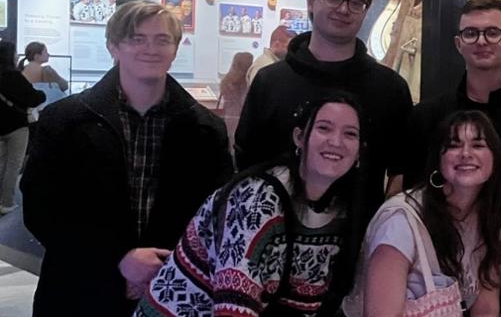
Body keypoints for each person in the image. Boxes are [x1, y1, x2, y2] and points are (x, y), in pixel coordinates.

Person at [21, 0, 233, 316]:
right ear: (113, 47)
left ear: (175, 50)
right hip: (80, 288)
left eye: (162, 39)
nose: (151, 48)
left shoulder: (205, 129)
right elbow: (42, 209)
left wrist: (159, 268)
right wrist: (119, 260)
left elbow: (214, 214)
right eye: (137, 38)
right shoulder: (64, 120)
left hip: (170, 290)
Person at [136, 94, 369, 316]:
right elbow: (233, 307)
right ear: (299, 137)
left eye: (350, 134)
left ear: (360, 149)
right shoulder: (256, 200)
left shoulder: (340, 211)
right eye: (324, 128)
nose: (336, 142)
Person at [236, 0, 414, 207]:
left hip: (361, 237)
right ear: (310, 1)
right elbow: (248, 164)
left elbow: (401, 169)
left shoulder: (390, 88)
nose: (343, 9)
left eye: (356, 2)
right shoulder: (270, 82)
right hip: (277, 233)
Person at [346, 110, 501, 316]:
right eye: (453, 145)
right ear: (438, 160)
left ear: (495, 158)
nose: (466, 153)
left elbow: (486, 308)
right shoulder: (401, 221)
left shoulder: (492, 218)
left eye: (478, 145)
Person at [405, 0, 501, 195]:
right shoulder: (426, 117)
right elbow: (414, 193)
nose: (481, 41)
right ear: (459, 44)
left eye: (492, 33)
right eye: (471, 33)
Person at [0, 41, 43, 214]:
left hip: (0, 127)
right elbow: (34, 98)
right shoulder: (14, 76)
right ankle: (7, 202)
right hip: (16, 126)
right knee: (14, 165)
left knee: (1, 164)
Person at [217, 51, 254, 137]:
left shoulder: (226, 80)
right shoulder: (246, 84)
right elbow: (244, 103)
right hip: (241, 120)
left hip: (228, 118)